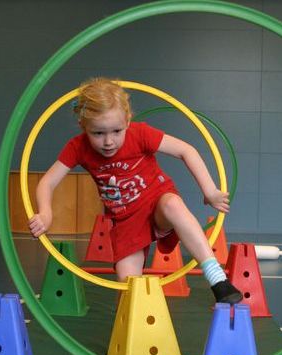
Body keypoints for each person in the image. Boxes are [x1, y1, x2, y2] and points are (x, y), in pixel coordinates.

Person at [28, 77, 242, 304]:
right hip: (126, 221)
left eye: (116, 131)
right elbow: (48, 182)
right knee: (129, 289)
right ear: (84, 127)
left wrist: (209, 191)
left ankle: (217, 279)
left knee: (173, 204)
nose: (109, 141)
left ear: (128, 121)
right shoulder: (77, 147)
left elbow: (186, 150)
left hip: (156, 202)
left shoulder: (140, 134)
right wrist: (45, 212)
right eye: (98, 133)